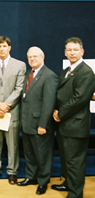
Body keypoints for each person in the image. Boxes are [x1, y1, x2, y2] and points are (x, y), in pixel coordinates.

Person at [52, 37, 95, 198]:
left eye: (75, 50)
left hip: (75, 126)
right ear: (65, 52)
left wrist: (60, 113)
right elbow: (61, 95)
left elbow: (79, 99)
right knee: (66, 158)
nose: (72, 52)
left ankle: (76, 193)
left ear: (82, 52)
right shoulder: (66, 71)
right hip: (65, 126)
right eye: (69, 50)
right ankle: (69, 184)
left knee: (75, 161)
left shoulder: (86, 72)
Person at [17, 46, 58, 195]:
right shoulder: (29, 74)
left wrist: (43, 124)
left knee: (43, 156)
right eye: (29, 57)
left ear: (43, 57)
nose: (32, 59)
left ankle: (43, 181)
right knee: (29, 153)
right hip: (27, 123)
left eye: (35, 56)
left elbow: (49, 103)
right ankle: (31, 177)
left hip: (39, 125)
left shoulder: (49, 76)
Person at [0, 36, 26, 184]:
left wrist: (6, 104)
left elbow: (19, 88)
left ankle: (12, 171)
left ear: (9, 47)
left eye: (4, 46)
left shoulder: (20, 65)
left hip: (12, 111)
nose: (2, 49)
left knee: (13, 144)